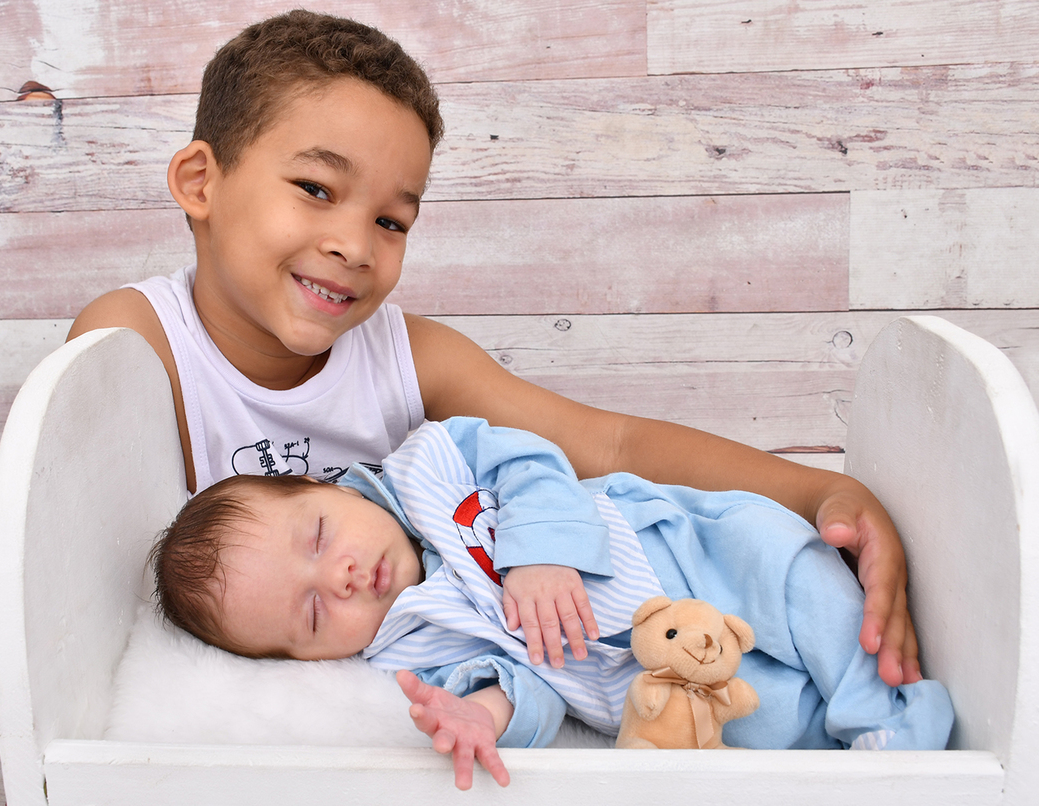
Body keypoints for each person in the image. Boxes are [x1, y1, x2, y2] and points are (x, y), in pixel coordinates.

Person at [67, 9, 920, 687]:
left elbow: (609, 444)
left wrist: (819, 490)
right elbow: (102, 581)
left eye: (391, 220)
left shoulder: (411, 358)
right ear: (201, 182)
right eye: (317, 188)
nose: (355, 245)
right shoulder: (137, 343)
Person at [149, 417, 953, 790]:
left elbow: (532, 460)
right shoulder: (405, 649)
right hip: (646, 677)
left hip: (685, 552)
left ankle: (891, 722)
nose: (344, 578)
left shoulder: (431, 464)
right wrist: (483, 716)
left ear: (320, 485)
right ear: (306, 660)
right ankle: (859, 764)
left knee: (797, 581)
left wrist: (537, 552)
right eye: (313, 615)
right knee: (767, 728)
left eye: (320, 537)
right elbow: (521, 684)